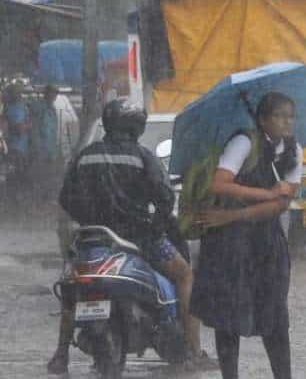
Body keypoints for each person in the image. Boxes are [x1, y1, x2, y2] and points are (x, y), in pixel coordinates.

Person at [47, 98, 204, 375]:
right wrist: (156, 225)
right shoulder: (142, 157)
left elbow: (65, 197)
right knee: (185, 275)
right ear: (136, 127)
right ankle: (194, 351)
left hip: (92, 239)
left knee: (73, 289)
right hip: (139, 237)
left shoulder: (85, 155)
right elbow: (165, 198)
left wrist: (89, 219)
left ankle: (61, 354)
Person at [191, 92, 302, 379]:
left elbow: (282, 204)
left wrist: (235, 215)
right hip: (229, 243)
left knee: (275, 314)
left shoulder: (294, 151)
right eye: (279, 115)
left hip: (265, 241)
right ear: (263, 119)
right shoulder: (243, 143)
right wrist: (266, 193)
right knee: (228, 315)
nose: (286, 121)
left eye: (290, 115)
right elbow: (220, 184)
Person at [29, 84, 63, 198]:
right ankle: (37, 199)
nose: (54, 96)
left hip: (50, 150)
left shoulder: (52, 109)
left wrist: (54, 151)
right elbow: (35, 129)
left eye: (55, 93)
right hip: (40, 150)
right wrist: (36, 147)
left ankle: (45, 198)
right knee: (40, 176)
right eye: (52, 93)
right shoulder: (39, 108)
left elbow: (53, 132)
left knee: (49, 177)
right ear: (46, 94)